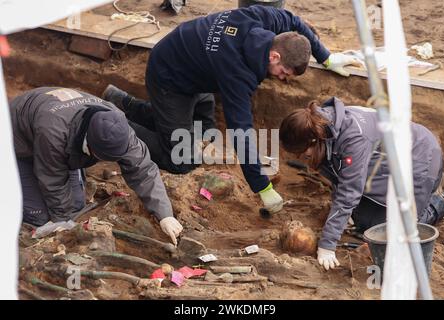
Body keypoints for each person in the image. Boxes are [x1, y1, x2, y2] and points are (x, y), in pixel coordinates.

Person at [102, 5, 359, 215]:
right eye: (284, 73)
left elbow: (295, 21)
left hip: (196, 69)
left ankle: (122, 101)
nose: (282, 79)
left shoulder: (263, 20)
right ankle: (115, 123)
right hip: (170, 77)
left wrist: (325, 57)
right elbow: (241, 132)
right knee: (181, 158)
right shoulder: (238, 73)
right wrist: (262, 186)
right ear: (275, 57)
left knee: (204, 133)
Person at [279, 97, 444, 270]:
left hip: (421, 161)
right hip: (386, 165)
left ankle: (439, 202)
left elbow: (349, 192)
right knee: (366, 224)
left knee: (392, 233)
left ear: (315, 140)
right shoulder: (323, 127)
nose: (303, 159)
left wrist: (327, 245)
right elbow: (341, 177)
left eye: (304, 154)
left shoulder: (353, 138)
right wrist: (342, 217)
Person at [10, 87, 183, 245]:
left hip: (57, 143)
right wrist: (61, 220)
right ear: (90, 147)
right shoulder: (54, 132)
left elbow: (143, 169)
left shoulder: (118, 127)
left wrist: (165, 215)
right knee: (39, 217)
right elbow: (52, 177)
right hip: (17, 143)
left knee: (77, 209)